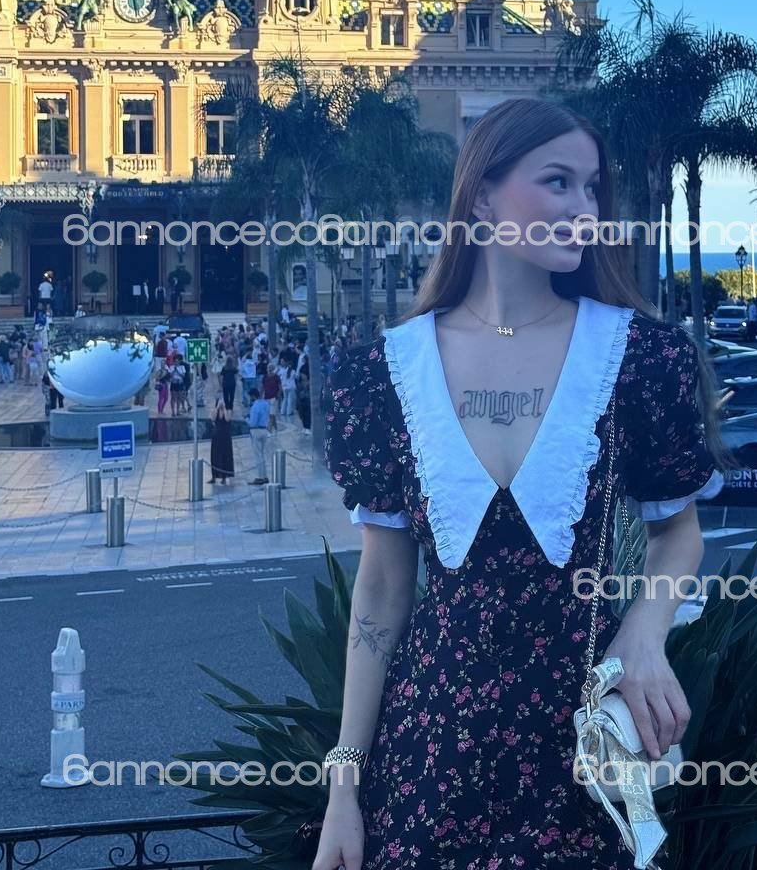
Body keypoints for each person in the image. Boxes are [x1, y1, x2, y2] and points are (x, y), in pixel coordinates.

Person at [312, 97, 730, 870]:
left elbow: (678, 533)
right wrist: (345, 788)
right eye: (558, 182)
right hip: (426, 764)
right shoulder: (382, 373)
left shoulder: (641, 358)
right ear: (480, 196)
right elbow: (381, 589)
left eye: (592, 187)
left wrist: (644, 634)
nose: (584, 209)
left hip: (584, 760)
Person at [246, 388, 271, 485]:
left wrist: (246, 419)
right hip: (264, 429)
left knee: (258, 455)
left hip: (256, 431)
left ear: (253, 396)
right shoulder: (265, 404)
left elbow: (252, 423)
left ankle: (260, 476)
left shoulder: (255, 407)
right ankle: (264, 475)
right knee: (262, 454)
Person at [210, 399, 235, 483]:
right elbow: (212, 418)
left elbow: (227, 419)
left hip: (225, 437)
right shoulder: (215, 411)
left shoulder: (228, 411)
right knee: (215, 456)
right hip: (216, 437)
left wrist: (224, 408)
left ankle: (224, 477)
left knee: (225, 456)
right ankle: (214, 476)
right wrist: (217, 408)